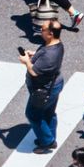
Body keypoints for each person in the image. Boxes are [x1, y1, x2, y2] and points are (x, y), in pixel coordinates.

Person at [21, 22, 66, 150]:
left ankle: (47, 141)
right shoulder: (57, 44)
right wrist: (35, 54)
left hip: (45, 89)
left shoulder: (49, 56)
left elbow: (34, 72)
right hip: (54, 84)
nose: (41, 30)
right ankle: (50, 136)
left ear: (50, 33)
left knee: (33, 115)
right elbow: (45, 54)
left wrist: (26, 61)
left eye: (43, 29)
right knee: (48, 113)